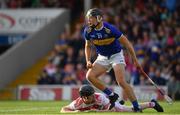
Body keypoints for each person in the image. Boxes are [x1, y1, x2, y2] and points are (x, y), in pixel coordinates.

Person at [83, 8, 144, 111]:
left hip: (116, 55)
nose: (89, 21)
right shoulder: (88, 31)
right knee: (90, 76)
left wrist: (135, 60)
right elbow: (88, 46)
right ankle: (111, 95)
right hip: (102, 57)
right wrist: (88, 60)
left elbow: (127, 44)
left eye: (91, 18)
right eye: (88, 18)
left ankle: (137, 107)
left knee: (121, 81)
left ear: (99, 18)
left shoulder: (111, 29)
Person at [60, 85, 164, 113]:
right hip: (102, 108)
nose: (93, 96)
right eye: (91, 95)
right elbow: (63, 109)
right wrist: (75, 112)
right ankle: (119, 102)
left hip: (109, 106)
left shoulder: (99, 97)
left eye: (93, 94)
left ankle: (152, 104)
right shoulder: (77, 104)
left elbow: (111, 110)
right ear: (84, 97)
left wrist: (95, 111)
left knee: (130, 110)